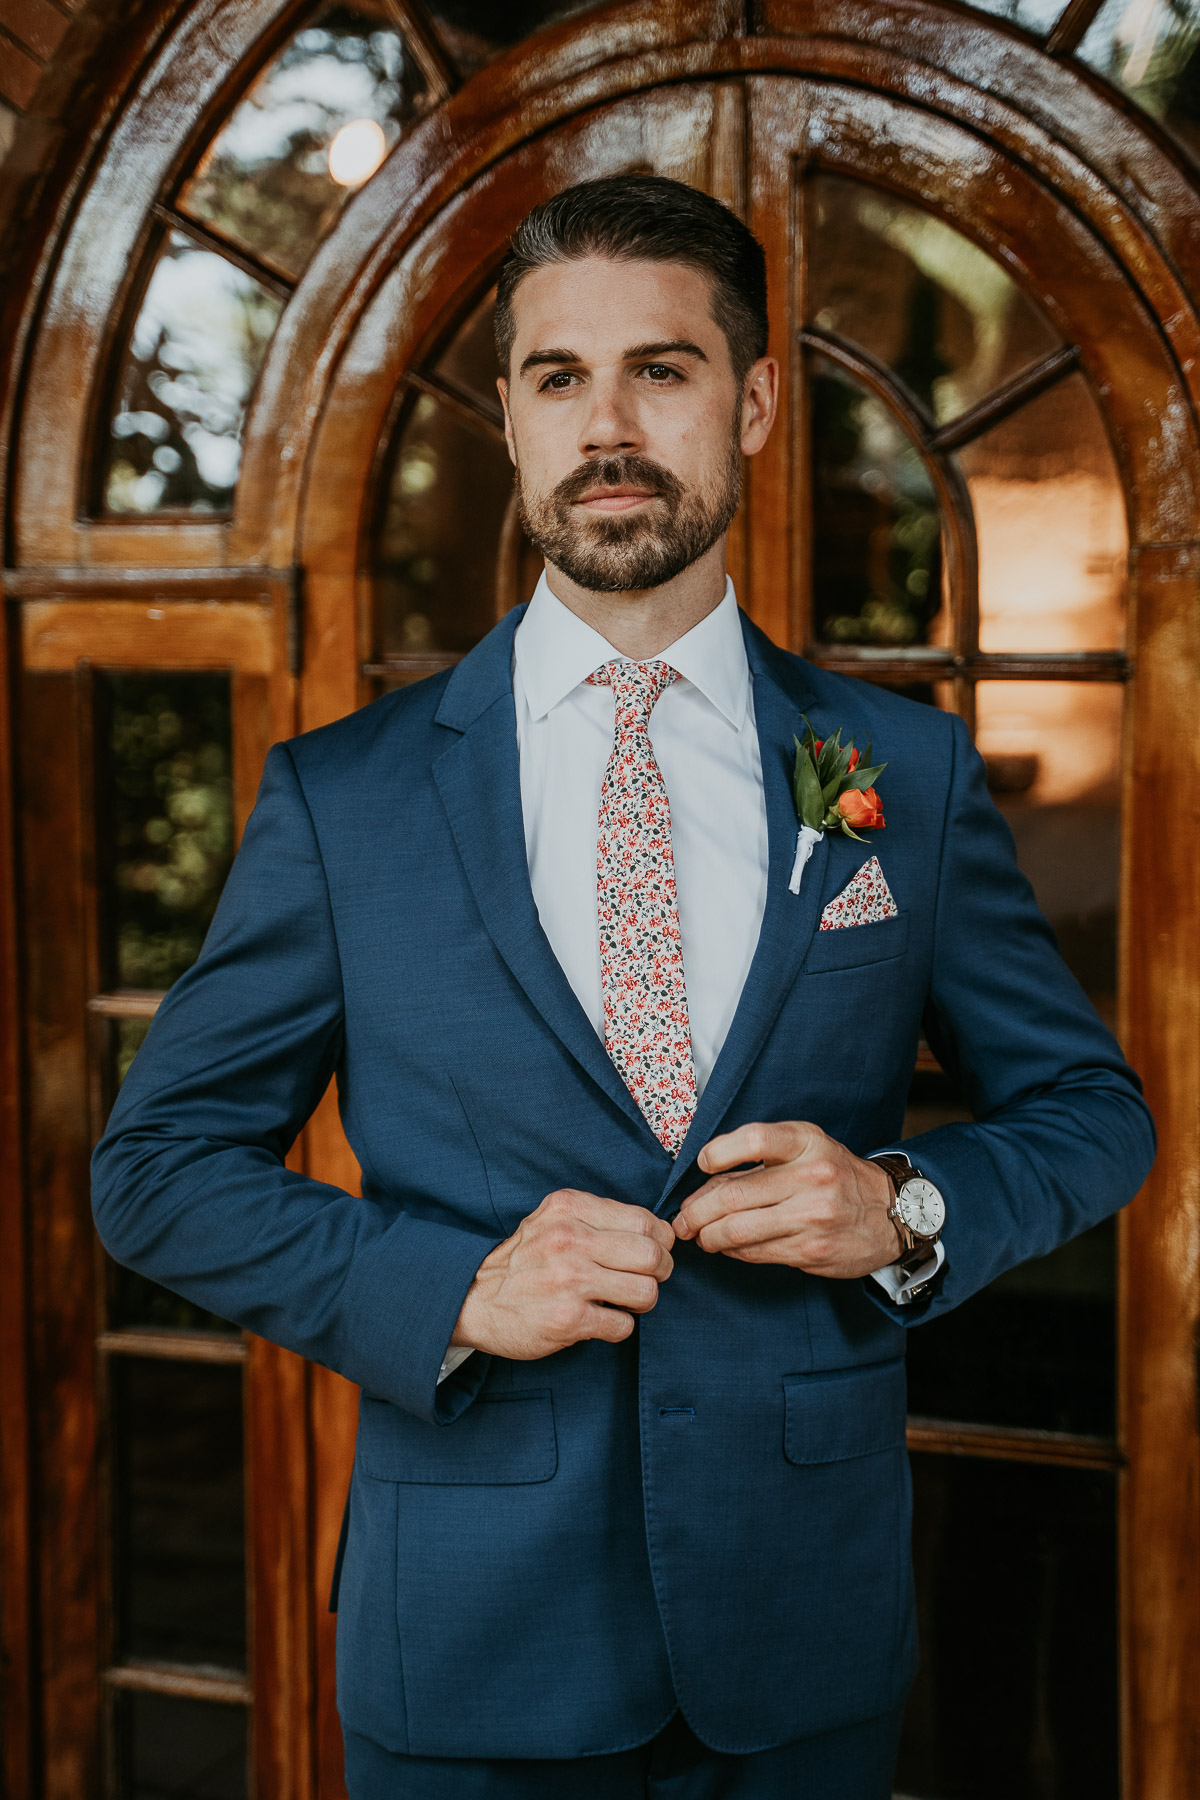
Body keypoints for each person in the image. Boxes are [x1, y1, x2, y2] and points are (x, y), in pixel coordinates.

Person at [92, 174, 1155, 1799]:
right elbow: (154, 1172)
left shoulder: (893, 774)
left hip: (801, 1640)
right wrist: (450, 1293)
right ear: (511, 424)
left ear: (753, 405)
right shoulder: (346, 796)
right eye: (556, 376)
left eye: (660, 370)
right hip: (463, 1644)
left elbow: (1093, 1114)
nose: (609, 425)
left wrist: (904, 1211)